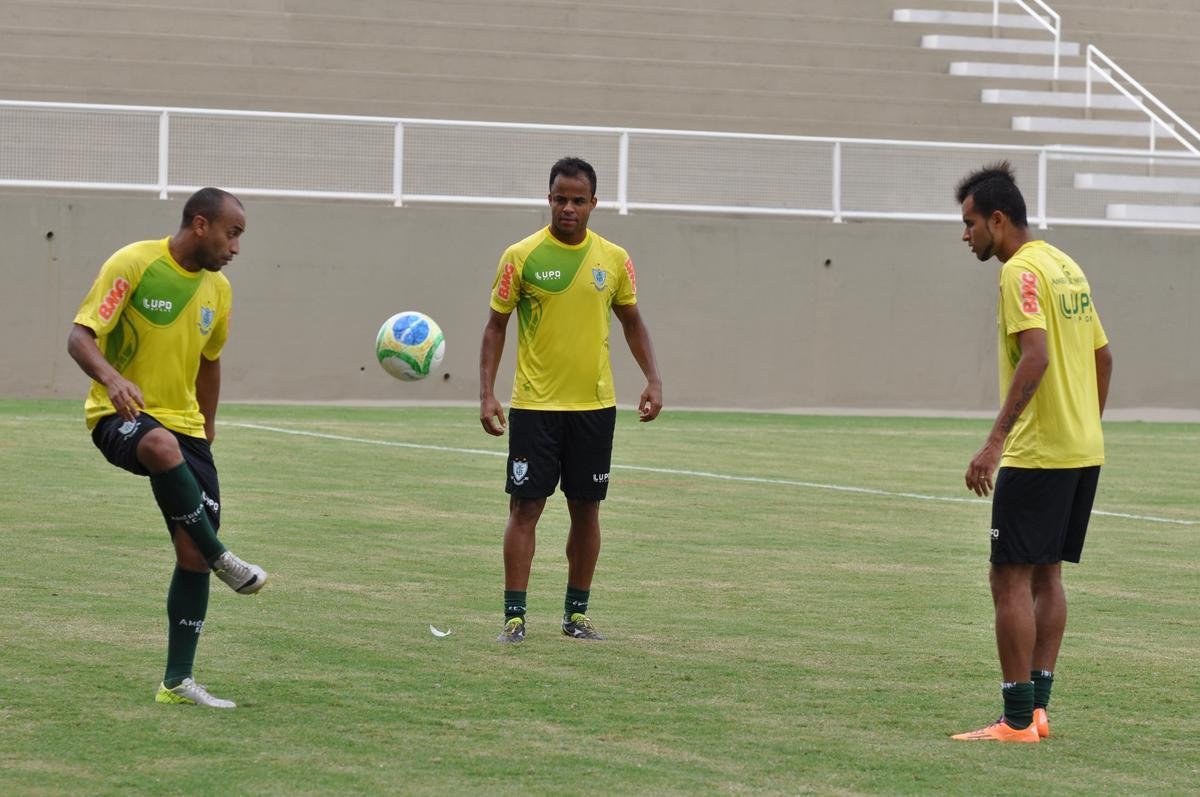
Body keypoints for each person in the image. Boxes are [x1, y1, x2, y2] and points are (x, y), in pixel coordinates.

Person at [67, 187, 268, 709]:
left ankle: (177, 681)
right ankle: (225, 559)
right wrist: (111, 380)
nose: (236, 248)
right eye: (232, 233)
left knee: (189, 555)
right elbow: (80, 337)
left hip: (188, 429)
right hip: (120, 415)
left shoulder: (218, 290)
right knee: (158, 445)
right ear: (200, 225)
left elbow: (210, 360)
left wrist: (209, 425)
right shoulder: (133, 263)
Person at [951, 163, 1113, 742]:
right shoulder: (1066, 265)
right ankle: (1039, 710)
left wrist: (994, 442)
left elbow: (1036, 355)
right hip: (1081, 448)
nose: (964, 234)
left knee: (1008, 578)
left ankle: (1016, 719)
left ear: (998, 220)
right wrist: (1082, 426)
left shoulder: (1019, 271)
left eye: (969, 223)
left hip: (1038, 452)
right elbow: (1103, 357)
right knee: (1048, 575)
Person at [479, 157, 663, 644]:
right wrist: (486, 393)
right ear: (549, 199)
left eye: (578, 200)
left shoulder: (614, 259)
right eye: (560, 198)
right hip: (535, 406)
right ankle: (514, 618)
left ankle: (575, 615)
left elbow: (632, 321)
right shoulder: (520, 256)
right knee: (525, 509)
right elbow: (496, 326)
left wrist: (653, 379)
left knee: (587, 510)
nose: (568, 208)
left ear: (593, 204)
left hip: (594, 407)